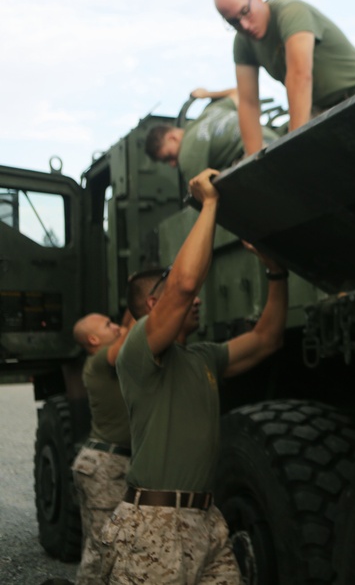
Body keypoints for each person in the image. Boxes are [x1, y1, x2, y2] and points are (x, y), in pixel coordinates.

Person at [100, 168, 289, 584]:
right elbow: (185, 284)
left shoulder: (203, 357)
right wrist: (210, 204)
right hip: (153, 524)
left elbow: (267, 338)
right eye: (173, 295)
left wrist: (277, 273)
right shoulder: (139, 351)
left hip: (206, 520)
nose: (198, 299)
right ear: (153, 304)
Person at [214, 0, 355, 155]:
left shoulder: (290, 12)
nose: (244, 25)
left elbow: (299, 75)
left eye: (245, 12)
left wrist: (293, 149)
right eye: (234, 22)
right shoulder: (243, 42)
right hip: (319, 110)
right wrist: (253, 163)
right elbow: (248, 102)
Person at [70, 311, 132, 585]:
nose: (116, 327)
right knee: (102, 550)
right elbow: (129, 339)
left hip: (102, 463)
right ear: (94, 339)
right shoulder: (98, 360)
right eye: (109, 324)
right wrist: (144, 310)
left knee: (101, 546)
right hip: (105, 465)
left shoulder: (102, 361)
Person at [145, 87, 279, 182]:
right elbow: (239, 93)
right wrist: (207, 94)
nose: (173, 164)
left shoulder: (186, 154)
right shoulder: (210, 110)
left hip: (258, 158)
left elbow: (202, 194)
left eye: (168, 157)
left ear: (172, 138)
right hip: (275, 141)